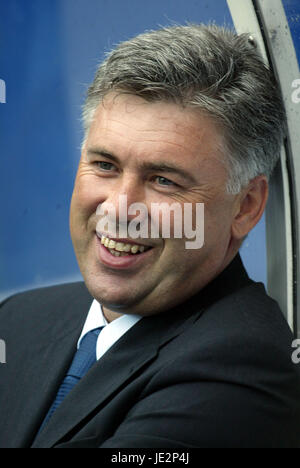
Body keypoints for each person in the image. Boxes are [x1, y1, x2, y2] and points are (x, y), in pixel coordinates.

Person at [1, 23, 300, 449]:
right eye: (104, 165)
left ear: (246, 206)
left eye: (163, 180)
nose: (119, 209)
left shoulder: (241, 368)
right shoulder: (18, 319)